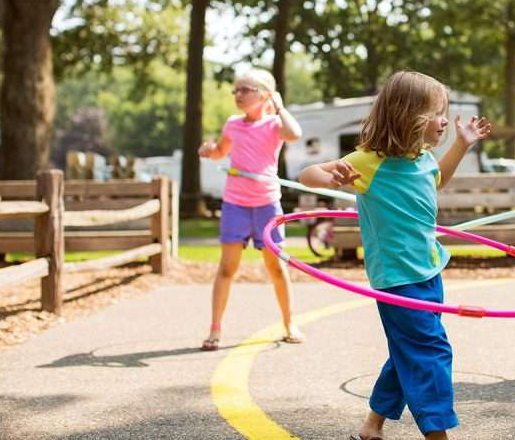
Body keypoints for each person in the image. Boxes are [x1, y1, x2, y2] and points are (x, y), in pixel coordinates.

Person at [299, 71, 491, 440]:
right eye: (437, 113)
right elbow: (308, 174)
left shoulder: (421, 157)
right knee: (431, 350)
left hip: (429, 271)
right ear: (408, 114)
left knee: (410, 347)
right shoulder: (369, 161)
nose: (444, 122)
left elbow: (437, 180)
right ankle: (438, 434)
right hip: (397, 278)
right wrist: (330, 176)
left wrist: (462, 145)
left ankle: (372, 425)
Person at [199, 68, 304, 351]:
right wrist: (209, 150)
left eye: (246, 89)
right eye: (236, 90)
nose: (238, 95)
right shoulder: (233, 124)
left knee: (277, 268)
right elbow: (221, 152)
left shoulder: (273, 125)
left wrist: (279, 105)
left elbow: (294, 133)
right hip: (235, 204)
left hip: (267, 206)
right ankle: (215, 329)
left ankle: (289, 323)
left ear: (264, 94)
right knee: (226, 268)